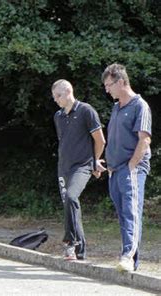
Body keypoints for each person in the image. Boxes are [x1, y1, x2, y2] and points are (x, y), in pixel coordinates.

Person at [102, 63, 152, 272]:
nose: (107, 89)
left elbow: (144, 139)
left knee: (131, 212)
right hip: (115, 170)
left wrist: (132, 166)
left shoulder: (140, 106)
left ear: (121, 82)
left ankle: (127, 257)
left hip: (131, 168)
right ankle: (132, 260)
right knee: (123, 214)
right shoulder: (116, 107)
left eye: (109, 85)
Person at [52, 79, 106, 261]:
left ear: (68, 92)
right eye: (54, 97)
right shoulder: (58, 116)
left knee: (72, 197)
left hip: (83, 165)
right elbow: (65, 142)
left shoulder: (86, 111)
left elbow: (100, 141)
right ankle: (80, 252)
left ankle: (69, 243)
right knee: (70, 206)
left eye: (58, 96)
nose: (56, 100)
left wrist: (95, 161)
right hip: (63, 167)